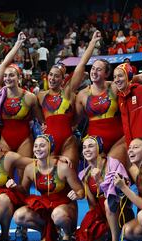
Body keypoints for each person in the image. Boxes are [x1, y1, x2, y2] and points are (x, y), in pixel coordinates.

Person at [38, 31, 103, 166]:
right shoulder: (41, 95)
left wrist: (92, 42)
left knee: (69, 172)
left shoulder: (67, 93)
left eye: (56, 76)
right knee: (51, 178)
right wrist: (42, 123)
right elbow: (35, 113)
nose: (52, 78)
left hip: (68, 141)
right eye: (50, 75)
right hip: (48, 142)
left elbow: (82, 64)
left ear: (63, 80)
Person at [12, 134, 84, 241]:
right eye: (35, 146)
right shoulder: (30, 169)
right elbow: (24, 191)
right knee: (19, 216)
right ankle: (47, 232)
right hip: (45, 206)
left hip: (65, 206)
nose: (37, 149)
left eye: (42, 146)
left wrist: (77, 195)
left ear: (50, 147)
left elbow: (81, 191)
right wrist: (15, 187)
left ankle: (67, 235)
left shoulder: (63, 167)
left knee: (58, 215)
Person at [75, 135, 133, 241]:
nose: (87, 150)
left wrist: (100, 180)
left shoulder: (113, 165)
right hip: (101, 212)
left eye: (91, 146)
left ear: (100, 148)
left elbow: (118, 195)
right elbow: (92, 205)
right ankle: (108, 235)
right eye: (84, 147)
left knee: (108, 203)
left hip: (120, 210)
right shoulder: (84, 174)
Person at [75, 31, 126, 164]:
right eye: (92, 68)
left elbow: (134, 81)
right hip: (95, 143)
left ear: (107, 73)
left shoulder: (115, 87)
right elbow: (74, 121)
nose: (94, 71)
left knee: (114, 170)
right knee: (99, 177)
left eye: (99, 69)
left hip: (119, 140)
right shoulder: (82, 95)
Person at [0, 63, 44, 158]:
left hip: (25, 140)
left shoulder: (30, 97)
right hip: (4, 140)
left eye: (11, 75)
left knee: (24, 171)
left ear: (19, 77)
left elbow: (42, 121)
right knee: (5, 172)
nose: (7, 78)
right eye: (5, 76)